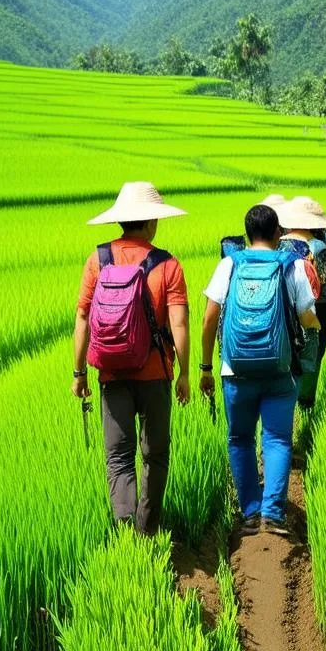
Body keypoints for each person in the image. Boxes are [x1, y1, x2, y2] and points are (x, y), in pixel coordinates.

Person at [72, 182, 191, 535]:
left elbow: (82, 318)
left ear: (121, 221)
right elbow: (179, 322)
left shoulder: (98, 259)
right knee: (154, 455)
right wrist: (185, 372)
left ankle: (125, 532)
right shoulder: (167, 264)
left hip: (111, 374)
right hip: (155, 373)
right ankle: (146, 528)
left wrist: (79, 372)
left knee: (118, 456)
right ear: (152, 220)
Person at [199, 203, 320, 537]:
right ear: (278, 233)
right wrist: (312, 333)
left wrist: (206, 367)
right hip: (280, 371)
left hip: (235, 370)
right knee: (278, 438)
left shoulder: (229, 264)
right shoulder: (291, 266)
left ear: (245, 233)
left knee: (239, 439)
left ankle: (250, 513)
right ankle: (272, 515)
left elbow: (210, 318)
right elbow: (308, 317)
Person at [277, 195, 326, 409]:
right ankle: (306, 400)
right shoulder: (323, 244)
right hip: (322, 304)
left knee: (288, 349)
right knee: (315, 353)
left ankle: (286, 395)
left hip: (286, 303)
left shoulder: (278, 245)